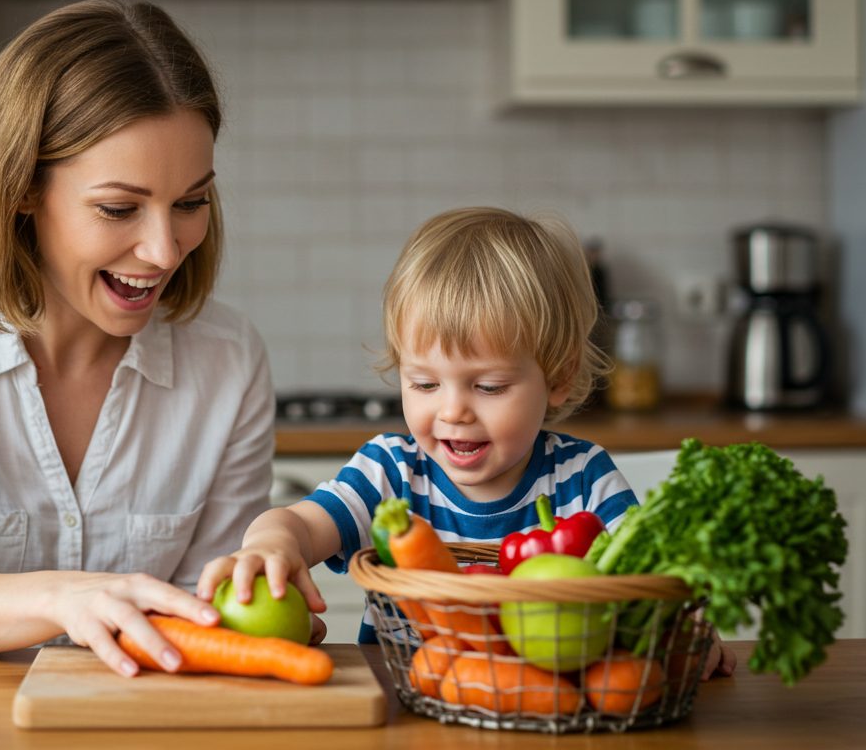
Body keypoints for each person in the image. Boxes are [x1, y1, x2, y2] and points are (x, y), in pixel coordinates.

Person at [0, 0, 274, 679]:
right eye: (118, 208)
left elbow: (204, 620)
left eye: (190, 202)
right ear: (23, 189)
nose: (162, 249)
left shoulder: (229, 361)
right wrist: (66, 596)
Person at [197, 206, 736, 679]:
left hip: (550, 712)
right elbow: (299, 522)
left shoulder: (584, 477)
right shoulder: (390, 471)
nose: (452, 410)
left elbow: (650, 584)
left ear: (559, 378)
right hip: (404, 713)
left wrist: (686, 628)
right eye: (425, 383)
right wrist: (272, 543)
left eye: (489, 386)